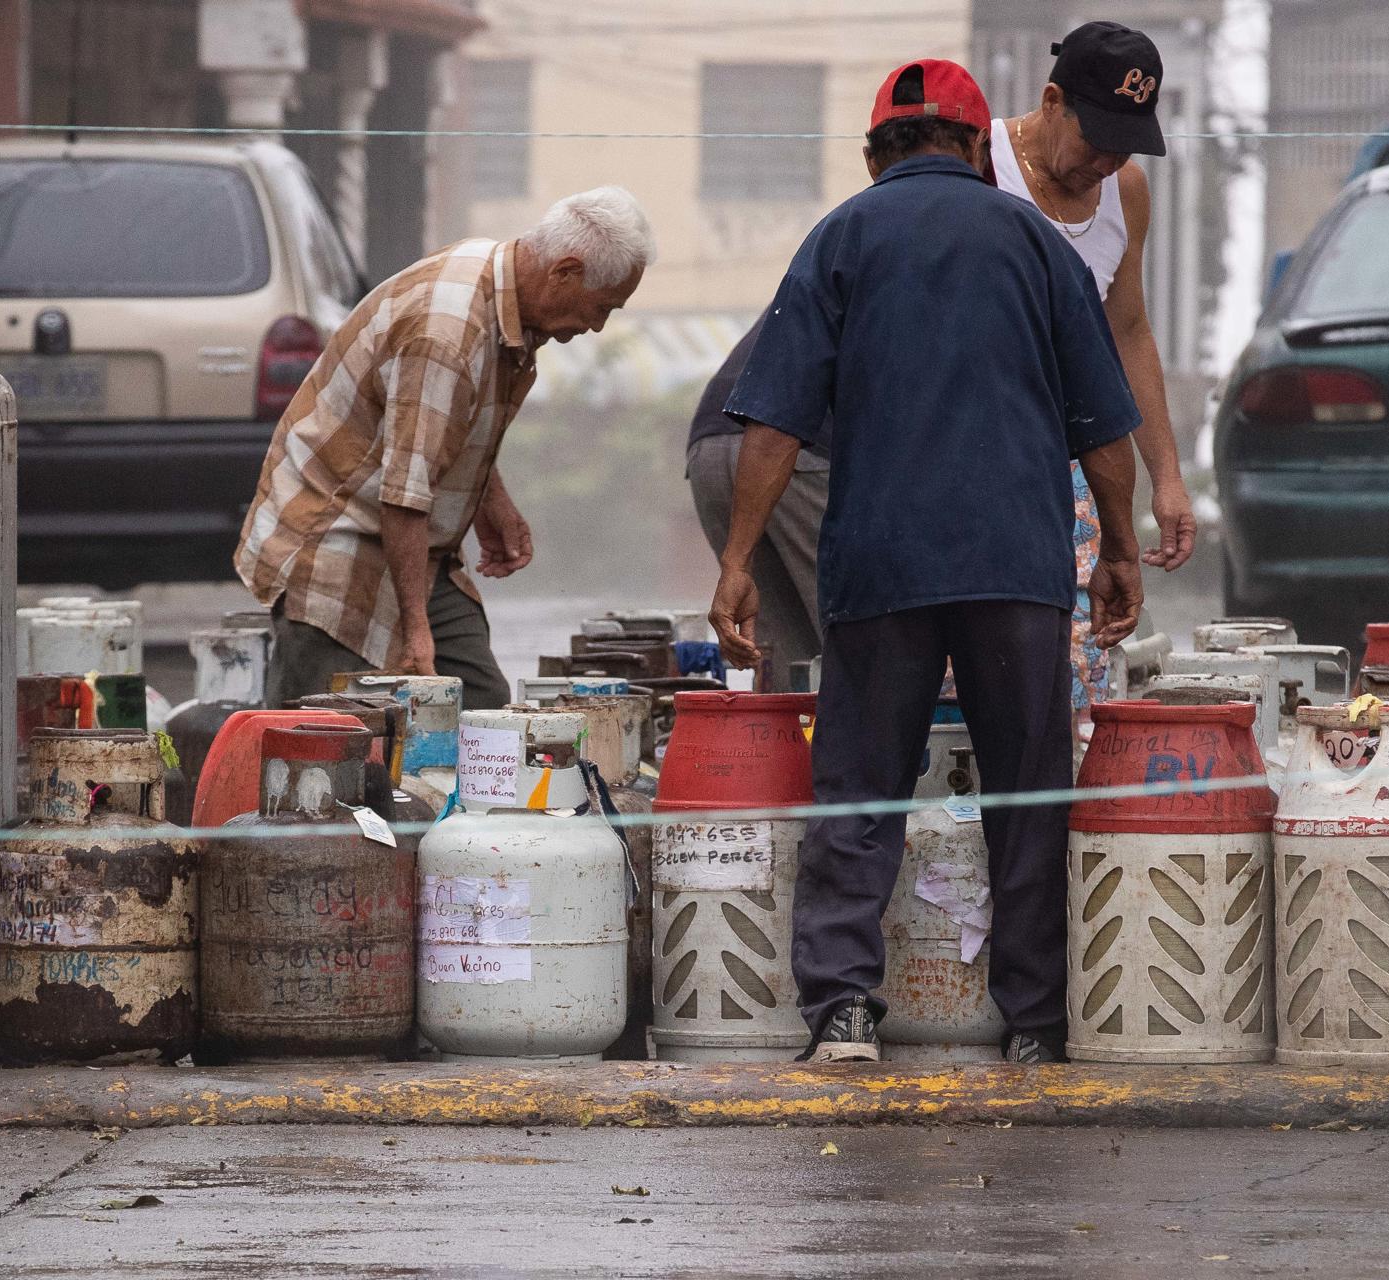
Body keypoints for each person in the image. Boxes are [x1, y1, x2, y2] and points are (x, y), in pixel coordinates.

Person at [708, 59, 1145, 1065]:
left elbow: (773, 422)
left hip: (878, 564)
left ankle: (846, 1011)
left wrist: (737, 559)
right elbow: (1103, 430)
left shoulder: (841, 239)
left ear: (873, 156)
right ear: (977, 145)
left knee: (861, 783)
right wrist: (1119, 550)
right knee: (1025, 790)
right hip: (1016, 566)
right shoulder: (1037, 244)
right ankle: (1034, 1020)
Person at [235, 188, 656, 708]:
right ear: (565, 272)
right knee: (327, 744)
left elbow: (443, 425)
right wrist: (416, 635)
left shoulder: (502, 280)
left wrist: (489, 498)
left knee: (479, 706)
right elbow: (404, 492)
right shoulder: (446, 332)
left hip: (411, 546)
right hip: (337, 540)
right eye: (600, 308)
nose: (596, 325)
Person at [991, 21, 1197, 716]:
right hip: (975, 454)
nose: (1106, 163)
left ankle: (1058, 812)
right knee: (975, 660)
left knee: (1072, 662)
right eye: (1096, 141)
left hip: (1074, 462)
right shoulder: (980, 163)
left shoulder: (1125, 193)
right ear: (1053, 102)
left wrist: (1166, 476)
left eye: (1125, 147)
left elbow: (1129, 331)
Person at [686, 308, 829, 688]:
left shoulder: (823, 261)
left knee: (783, 660)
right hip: (796, 446)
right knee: (872, 636)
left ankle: (786, 745)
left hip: (709, 447)